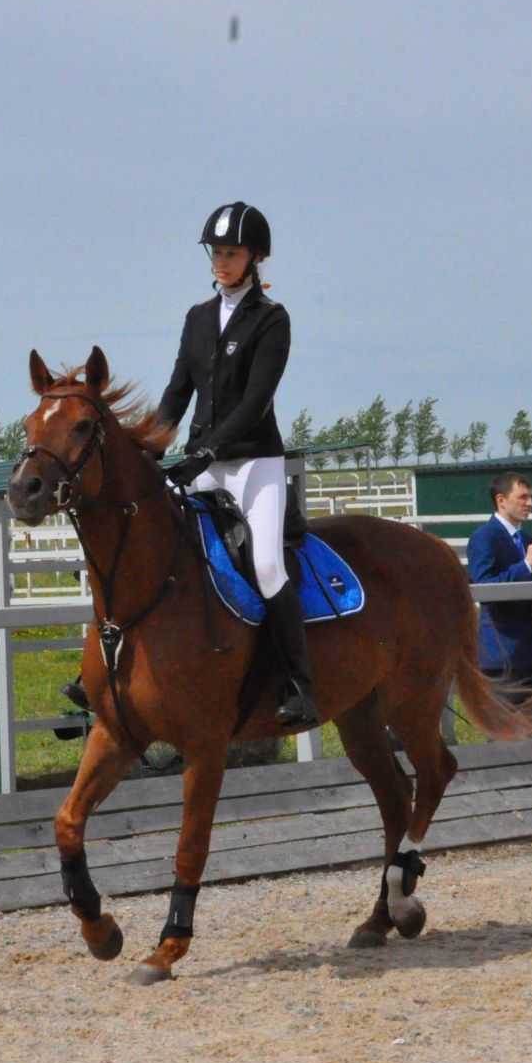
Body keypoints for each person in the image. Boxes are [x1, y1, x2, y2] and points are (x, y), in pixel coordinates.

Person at [156, 201, 318, 729]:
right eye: (217, 253)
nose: (221, 262)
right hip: (202, 461)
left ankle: (300, 685)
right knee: (161, 549)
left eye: (232, 253)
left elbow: (255, 401)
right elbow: (177, 392)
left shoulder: (272, 319)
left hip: (254, 464)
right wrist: (150, 447)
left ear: (255, 258)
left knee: (267, 565)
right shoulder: (197, 318)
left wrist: (206, 451)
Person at [466, 472, 532, 734]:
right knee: (503, 732)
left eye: (531, 497)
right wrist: (526, 565)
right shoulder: (484, 537)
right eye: (522, 497)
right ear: (501, 500)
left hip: (530, 650)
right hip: (500, 652)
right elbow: (484, 587)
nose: (530, 503)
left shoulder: (526, 539)